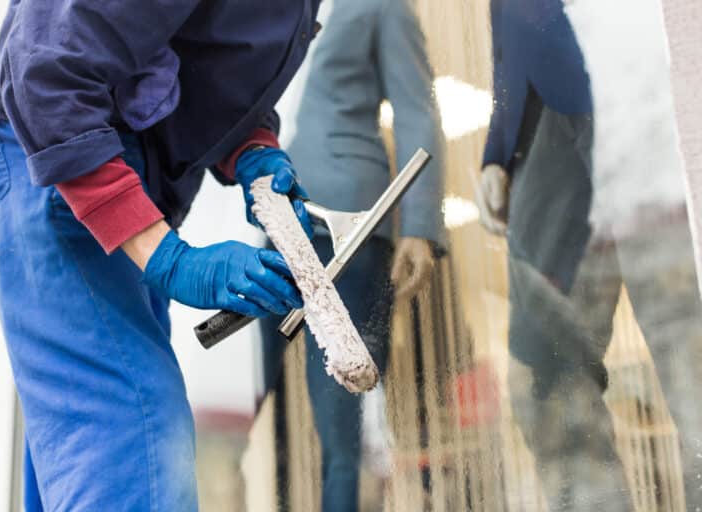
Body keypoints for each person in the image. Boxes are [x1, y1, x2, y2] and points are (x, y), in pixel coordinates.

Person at [0, 1, 323, 510]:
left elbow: (195, 64)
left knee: (103, 446)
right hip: (61, 164)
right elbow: (49, 77)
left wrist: (252, 148)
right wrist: (170, 259)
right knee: (136, 439)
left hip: (108, 171)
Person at [477, 0, 702, 509]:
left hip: (636, 74)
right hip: (545, 116)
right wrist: (499, 148)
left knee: (687, 345)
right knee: (543, 371)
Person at [259, 0, 446, 510]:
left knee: (343, 416)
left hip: (348, 220)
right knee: (247, 401)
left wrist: (421, 225)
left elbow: (416, 106)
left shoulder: (382, 6)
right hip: (275, 220)